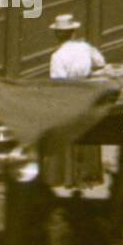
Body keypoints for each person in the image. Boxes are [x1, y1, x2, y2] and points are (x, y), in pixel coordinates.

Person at [43, 13, 106, 189]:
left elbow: (59, 81)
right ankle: (89, 172)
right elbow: (100, 62)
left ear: (57, 35)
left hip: (69, 95)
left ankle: (69, 174)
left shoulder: (57, 56)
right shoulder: (85, 47)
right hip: (87, 92)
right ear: (73, 32)